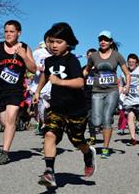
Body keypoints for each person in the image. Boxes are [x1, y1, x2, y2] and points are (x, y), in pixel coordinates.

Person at [33, 23, 96, 188]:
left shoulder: (72, 61)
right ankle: (49, 172)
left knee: (77, 140)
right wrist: (37, 92)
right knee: (49, 134)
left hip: (76, 109)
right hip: (57, 107)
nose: (53, 45)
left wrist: (60, 82)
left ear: (68, 43)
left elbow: (79, 82)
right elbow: (45, 77)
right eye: (51, 41)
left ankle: (88, 154)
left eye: (58, 42)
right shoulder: (48, 61)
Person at [0, 20, 37, 165]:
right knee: (5, 121)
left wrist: (23, 56)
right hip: (0, 90)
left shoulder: (24, 47)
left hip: (16, 90)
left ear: (19, 33)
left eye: (11, 31)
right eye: (6, 31)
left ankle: (5, 153)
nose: (8, 34)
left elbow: (33, 69)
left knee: (11, 119)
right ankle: (10, 134)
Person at [83, 30, 131, 159]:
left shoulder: (117, 55)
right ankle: (101, 130)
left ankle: (105, 148)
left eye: (105, 39)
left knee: (107, 118)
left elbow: (127, 72)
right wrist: (78, 81)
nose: (102, 42)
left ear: (110, 42)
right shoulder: (93, 56)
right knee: (96, 121)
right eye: (101, 39)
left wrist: (127, 85)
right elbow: (86, 71)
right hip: (97, 91)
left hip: (112, 91)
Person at [122, 53, 139, 146]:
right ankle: (133, 138)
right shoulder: (124, 72)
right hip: (129, 98)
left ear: (136, 63)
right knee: (130, 117)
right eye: (129, 62)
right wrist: (123, 89)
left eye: (133, 62)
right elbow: (122, 84)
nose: (131, 64)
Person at [29, 41, 52, 135]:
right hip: (39, 85)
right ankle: (44, 123)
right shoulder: (38, 52)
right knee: (40, 109)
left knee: (49, 107)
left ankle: (49, 126)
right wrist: (36, 68)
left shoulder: (57, 53)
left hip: (52, 85)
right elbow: (30, 65)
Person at [83, 48, 97, 144]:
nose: (90, 57)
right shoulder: (83, 69)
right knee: (85, 118)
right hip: (85, 96)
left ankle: (93, 136)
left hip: (96, 96)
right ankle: (87, 137)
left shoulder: (99, 69)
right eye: (89, 55)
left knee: (92, 117)